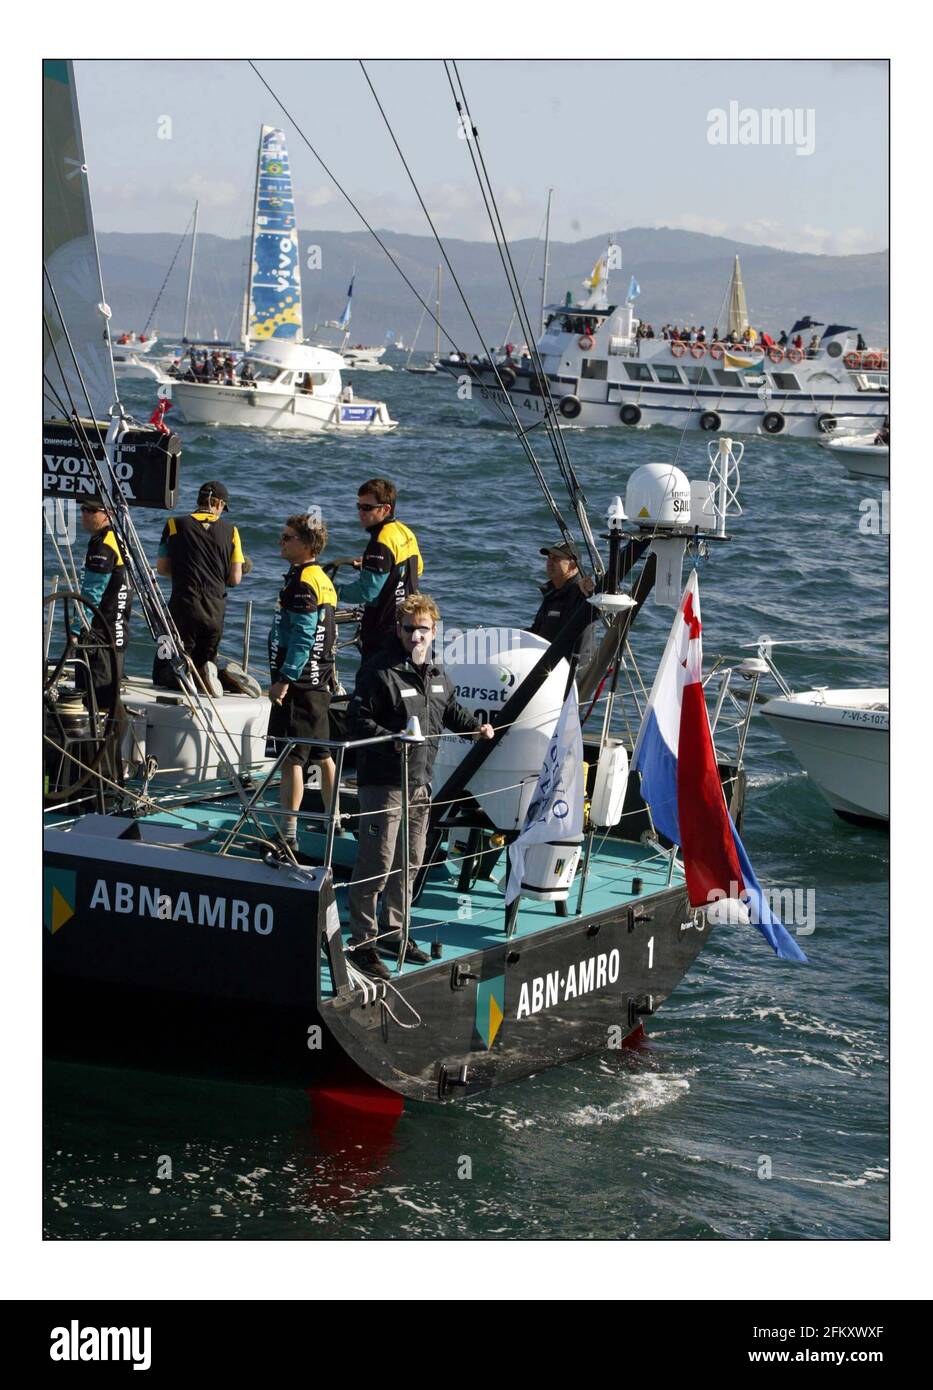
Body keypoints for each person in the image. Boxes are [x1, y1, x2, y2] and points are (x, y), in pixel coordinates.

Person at [346, 594, 494, 977]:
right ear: (399, 629)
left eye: (423, 630)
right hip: (383, 784)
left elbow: (450, 712)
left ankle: (394, 932)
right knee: (376, 863)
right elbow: (357, 721)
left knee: (410, 863)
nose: (416, 636)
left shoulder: (437, 674)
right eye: (409, 629)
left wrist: (478, 729)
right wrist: (392, 737)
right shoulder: (379, 672)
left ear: (434, 631)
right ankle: (362, 942)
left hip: (420, 783)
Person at [266, 515, 340, 859]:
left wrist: (284, 679)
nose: (281, 542)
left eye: (288, 538)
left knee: (291, 757)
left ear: (307, 545)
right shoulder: (322, 578)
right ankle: (334, 819)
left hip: (300, 685)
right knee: (322, 753)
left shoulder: (302, 584)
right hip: (320, 681)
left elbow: (303, 636)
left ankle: (289, 833)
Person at [154, 480, 243, 693]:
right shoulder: (232, 531)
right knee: (204, 666)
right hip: (215, 610)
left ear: (199, 500)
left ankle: (216, 677)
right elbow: (235, 579)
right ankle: (223, 676)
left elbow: (162, 569)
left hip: (184, 605)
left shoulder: (175, 524)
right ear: (219, 504)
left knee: (164, 673)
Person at [337, 478, 424, 667]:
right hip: (408, 624)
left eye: (367, 508)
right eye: (358, 506)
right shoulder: (404, 531)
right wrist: (374, 566)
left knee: (373, 685)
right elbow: (417, 569)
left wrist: (332, 590)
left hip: (383, 627)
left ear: (385, 509)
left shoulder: (381, 542)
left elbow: (366, 592)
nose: (360, 512)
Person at [71, 498, 132, 713]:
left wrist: (77, 630)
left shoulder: (102, 545)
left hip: (99, 638)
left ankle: (99, 744)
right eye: (82, 509)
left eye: (91, 510)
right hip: (116, 634)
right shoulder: (118, 539)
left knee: (93, 704)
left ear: (108, 513)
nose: (84, 514)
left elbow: (91, 594)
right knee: (107, 703)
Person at [530, 541, 597, 666]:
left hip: (572, 675)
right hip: (547, 667)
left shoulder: (581, 593)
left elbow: (597, 607)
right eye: (549, 558)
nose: (550, 562)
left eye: (556, 559)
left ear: (572, 565)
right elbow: (536, 632)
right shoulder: (552, 593)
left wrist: (590, 593)